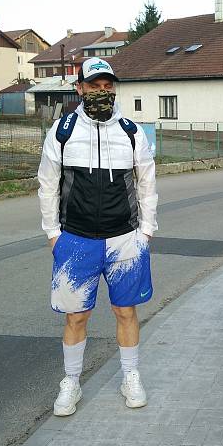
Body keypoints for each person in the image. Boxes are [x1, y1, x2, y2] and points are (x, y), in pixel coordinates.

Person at [37, 57, 158, 417]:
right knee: (76, 317)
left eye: (108, 86)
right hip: (75, 240)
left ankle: (130, 376)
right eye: (94, 86)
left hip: (125, 240)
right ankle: (71, 382)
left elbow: (147, 183)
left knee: (126, 310)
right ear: (80, 89)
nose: (101, 92)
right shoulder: (62, 131)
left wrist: (146, 232)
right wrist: (53, 235)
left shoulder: (131, 131)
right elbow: (47, 184)